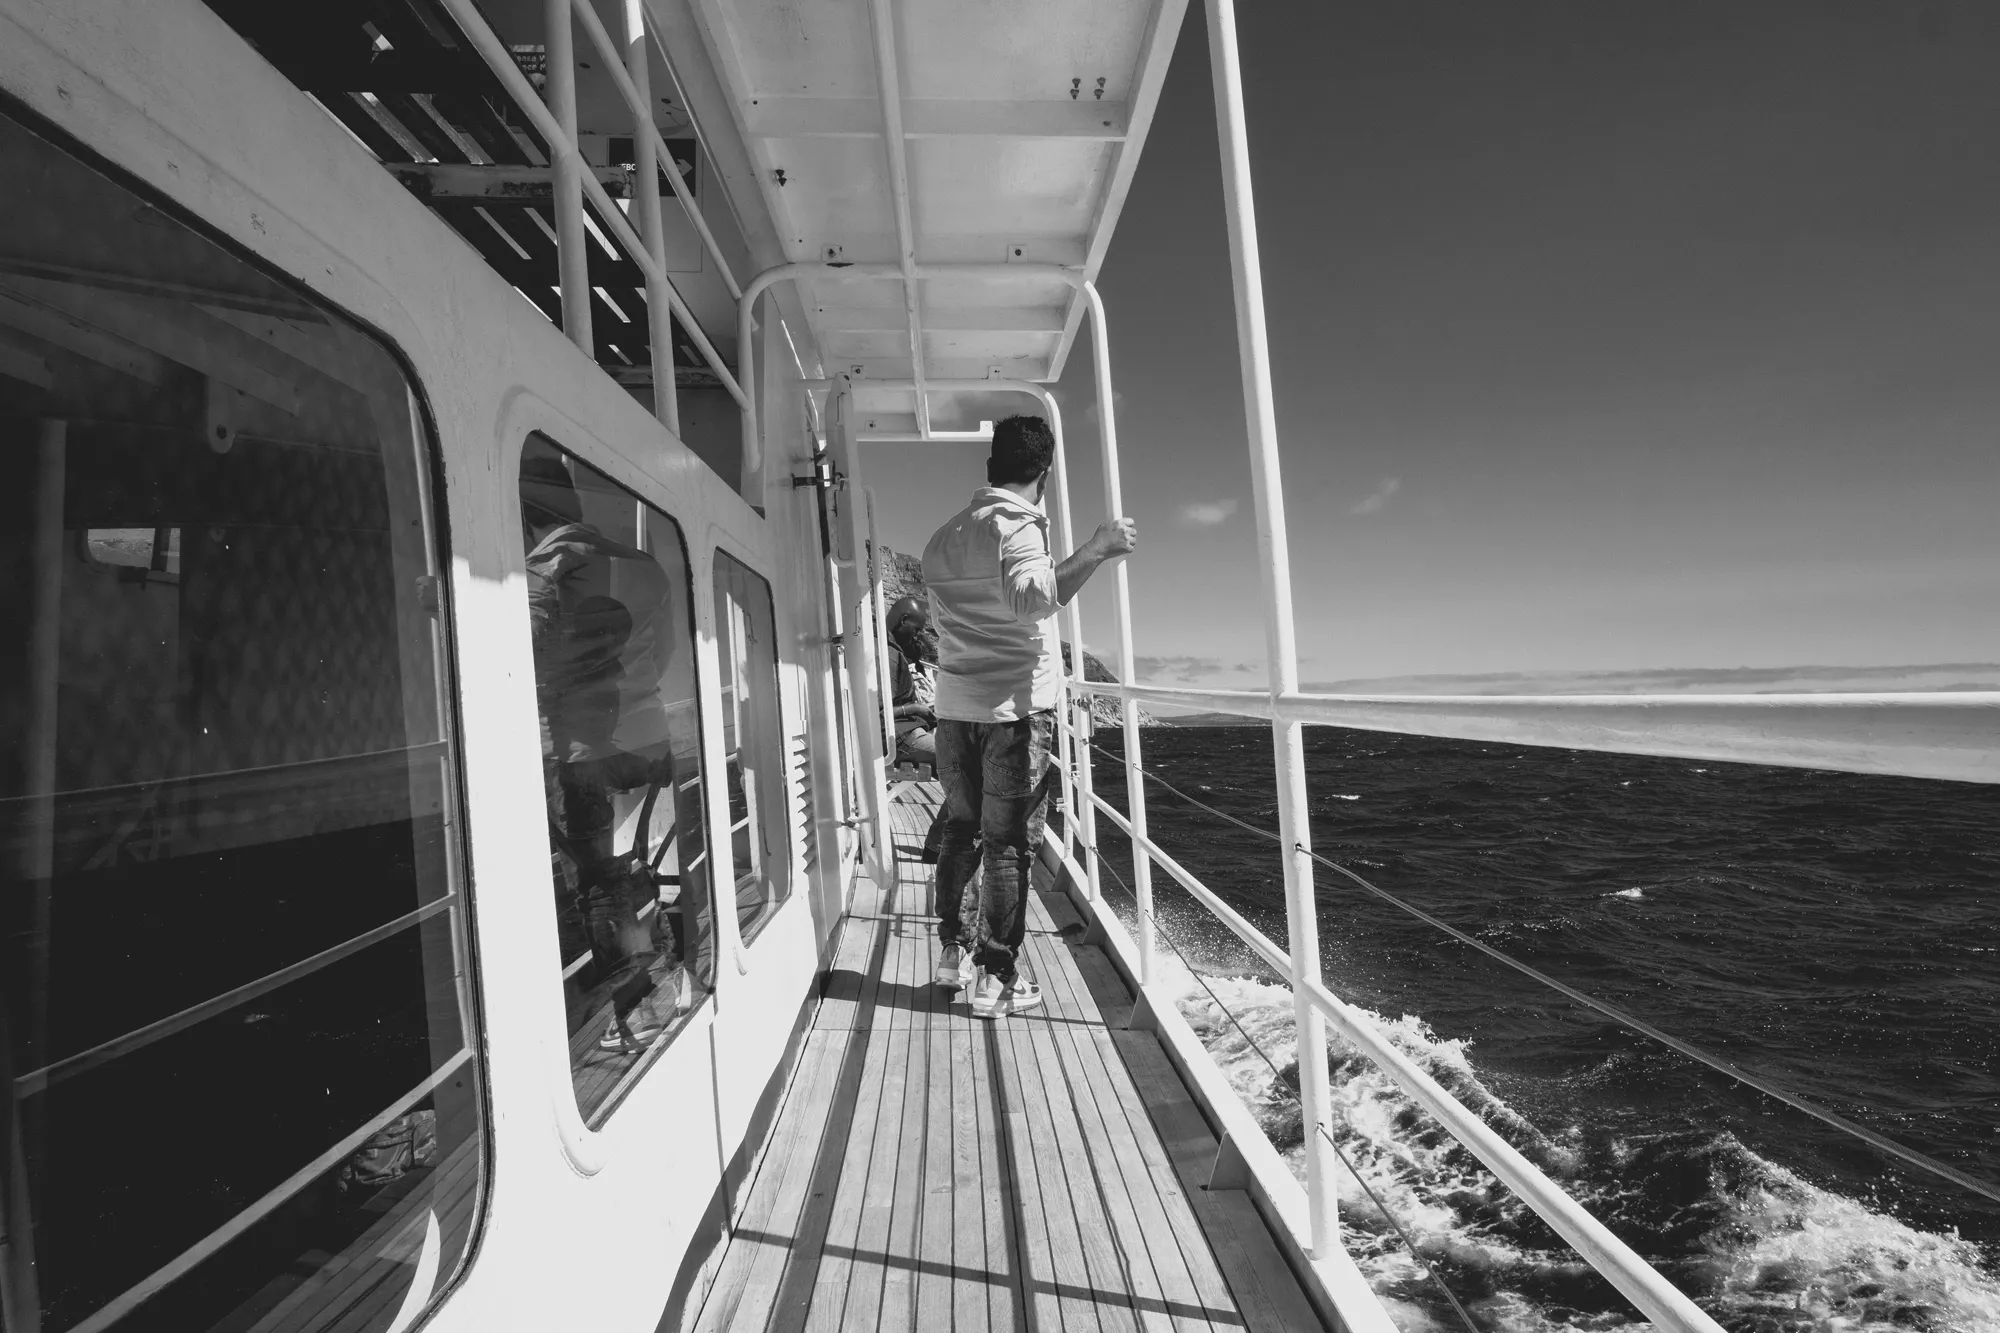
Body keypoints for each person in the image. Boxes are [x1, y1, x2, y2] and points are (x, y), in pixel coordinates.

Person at [921, 415, 1137, 1019]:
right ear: (1043, 473)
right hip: (1012, 712)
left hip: (955, 710)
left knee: (962, 830)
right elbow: (1031, 600)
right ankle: (998, 977)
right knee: (1009, 846)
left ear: (992, 463)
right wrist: (1097, 548)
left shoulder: (945, 535)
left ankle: (951, 953)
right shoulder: (1017, 525)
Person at [521, 449, 697, 1055]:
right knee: (626, 866)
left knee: (596, 881)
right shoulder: (640, 561)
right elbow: (666, 650)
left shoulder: (549, 561)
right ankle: (669, 977)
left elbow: (516, 640)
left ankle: (640, 1009)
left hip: (581, 749)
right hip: (645, 739)